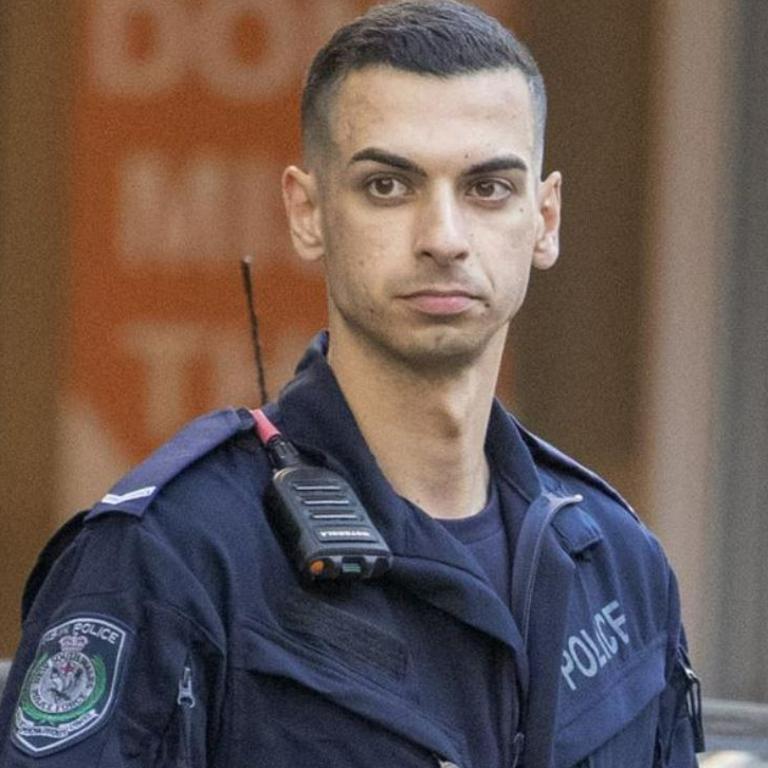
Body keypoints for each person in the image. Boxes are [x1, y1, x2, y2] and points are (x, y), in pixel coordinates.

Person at [0, 2, 703, 766]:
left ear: (545, 218)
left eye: (488, 188)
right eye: (388, 186)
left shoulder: (617, 565)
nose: (443, 238)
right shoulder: (175, 557)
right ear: (307, 212)